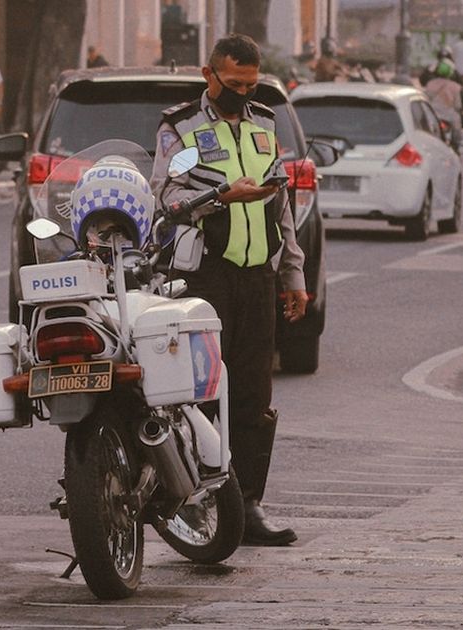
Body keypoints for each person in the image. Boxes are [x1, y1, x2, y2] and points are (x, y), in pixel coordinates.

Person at [150, 33, 307, 547]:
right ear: (208, 75)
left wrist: (293, 276)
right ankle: (198, 500)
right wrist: (220, 194)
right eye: (233, 83)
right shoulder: (179, 128)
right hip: (203, 279)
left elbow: (280, 205)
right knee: (198, 395)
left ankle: (249, 505)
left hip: (256, 277)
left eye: (250, 84)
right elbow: (167, 196)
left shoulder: (264, 122)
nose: (241, 92)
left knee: (253, 396)